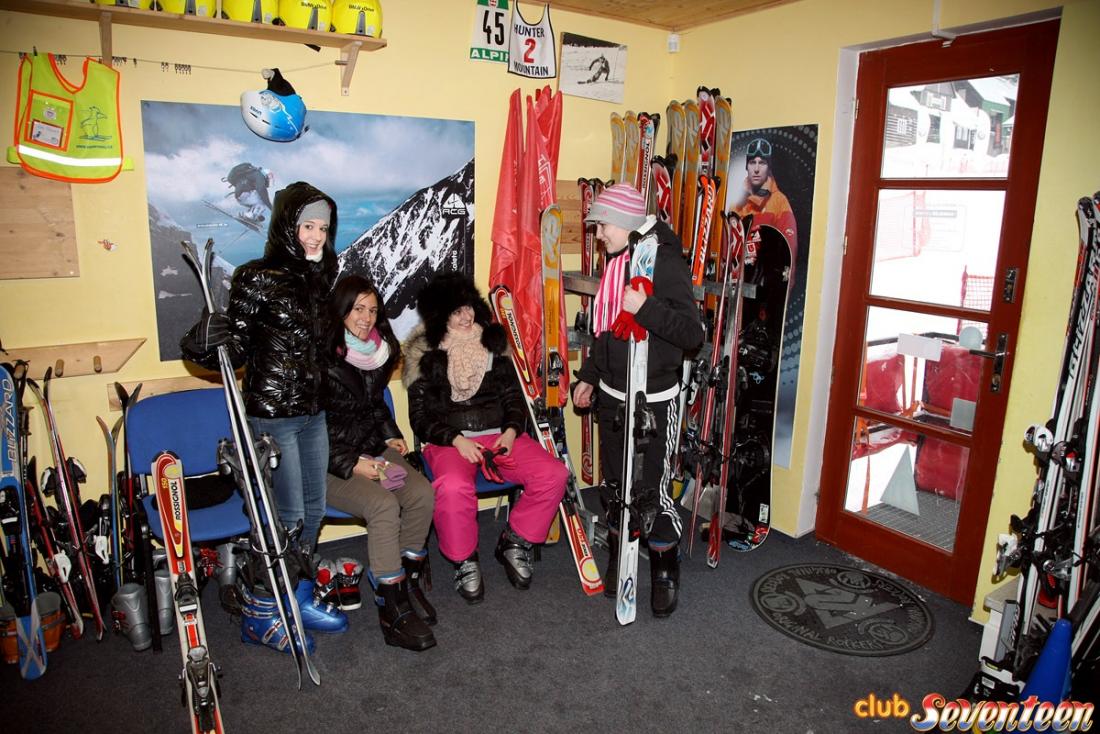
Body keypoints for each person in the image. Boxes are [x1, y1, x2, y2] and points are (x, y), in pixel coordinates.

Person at [181, 181, 344, 649]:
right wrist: (200, 342)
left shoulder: (321, 276)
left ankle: (295, 595)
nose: (316, 236)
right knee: (282, 519)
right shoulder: (258, 276)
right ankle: (260, 612)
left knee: (313, 513)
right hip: (273, 416)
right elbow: (232, 349)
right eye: (308, 226)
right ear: (288, 226)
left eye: (323, 228)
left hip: (313, 413)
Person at [571, 183, 703, 617]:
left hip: (654, 400)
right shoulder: (617, 262)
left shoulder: (664, 261)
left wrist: (646, 308)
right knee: (615, 486)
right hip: (613, 396)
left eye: (603, 226)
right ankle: (620, 558)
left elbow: (692, 334)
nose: (599, 235)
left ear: (625, 223)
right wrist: (591, 377)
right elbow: (607, 330)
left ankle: (665, 567)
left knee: (651, 491)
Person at [402, 272, 568, 603]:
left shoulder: (494, 342)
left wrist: (511, 431)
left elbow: (513, 398)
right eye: (456, 312)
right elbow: (419, 418)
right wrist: (456, 439)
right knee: (453, 488)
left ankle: (515, 539)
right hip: (450, 442)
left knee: (554, 474)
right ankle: (464, 559)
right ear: (441, 316)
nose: (466, 317)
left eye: (469, 308)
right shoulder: (424, 353)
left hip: (499, 436)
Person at [323, 275, 436, 652]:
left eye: (372, 310)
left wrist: (390, 435)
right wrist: (353, 463)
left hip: (370, 448)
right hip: (329, 463)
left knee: (421, 494)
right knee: (384, 505)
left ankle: (401, 582)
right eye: (358, 309)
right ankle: (392, 608)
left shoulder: (376, 353)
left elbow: (374, 406)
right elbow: (308, 428)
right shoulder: (318, 358)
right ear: (341, 310)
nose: (366, 318)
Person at [731, 137, 798, 264]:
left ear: (769, 167)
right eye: (752, 162)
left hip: (765, 273)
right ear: (746, 166)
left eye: (762, 163)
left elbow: (789, 252)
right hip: (737, 272)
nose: (756, 169)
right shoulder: (735, 203)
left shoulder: (780, 202)